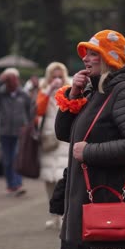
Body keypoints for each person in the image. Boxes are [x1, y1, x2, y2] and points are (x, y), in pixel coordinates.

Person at [54, 29, 125, 249]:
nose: (85, 58)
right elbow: (64, 134)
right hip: (90, 205)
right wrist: (74, 96)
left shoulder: (124, 91)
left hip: (109, 206)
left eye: (93, 54)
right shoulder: (96, 90)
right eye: (86, 53)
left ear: (109, 58)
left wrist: (90, 152)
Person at [35, 62, 70, 230]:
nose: (57, 79)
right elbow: (38, 110)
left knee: (62, 179)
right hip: (48, 140)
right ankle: (53, 216)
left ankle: (64, 215)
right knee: (49, 180)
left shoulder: (71, 89)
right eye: (54, 76)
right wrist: (49, 91)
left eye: (60, 76)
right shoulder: (43, 91)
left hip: (64, 140)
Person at [0, 68, 31, 196]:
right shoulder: (1, 94)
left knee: (16, 158)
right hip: (5, 132)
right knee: (7, 161)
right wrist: (0, 80)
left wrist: (27, 125)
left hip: (19, 132)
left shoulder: (23, 95)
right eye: (9, 80)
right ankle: (10, 185)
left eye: (14, 79)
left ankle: (17, 184)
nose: (13, 82)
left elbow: (30, 110)